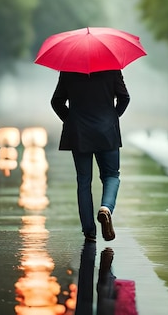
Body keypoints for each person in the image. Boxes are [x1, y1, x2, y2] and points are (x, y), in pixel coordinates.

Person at [51, 70, 130, 242]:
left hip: (79, 133)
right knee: (111, 175)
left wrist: (72, 119)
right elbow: (125, 98)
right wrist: (111, 117)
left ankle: (89, 231)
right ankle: (106, 209)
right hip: (107, 132)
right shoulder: (112, 69)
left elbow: (56, 101)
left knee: (84, 180)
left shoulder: (69, 70)